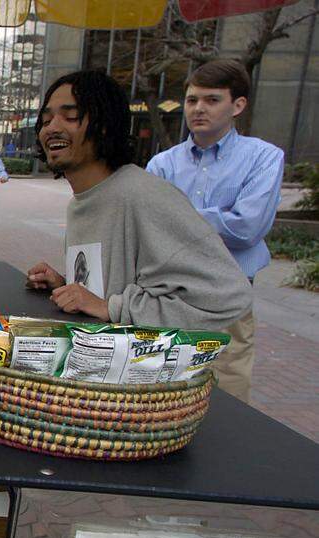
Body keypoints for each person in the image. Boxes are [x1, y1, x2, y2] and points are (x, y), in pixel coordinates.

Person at [25, 70, 252, 399]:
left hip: (168, 399)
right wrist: (67, 286)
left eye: (70, 115)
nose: (52, 127)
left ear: (104, 124)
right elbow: (112, 292)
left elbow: (229, 297)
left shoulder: (143, 195)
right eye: (45, 119)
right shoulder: (84, 200)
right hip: (115, 393)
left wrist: (114, 308)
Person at [145, 59, 282, 402]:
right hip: (172, 293)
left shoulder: (263, 158)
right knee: (165, 390)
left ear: (238, 105)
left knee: (230, 392)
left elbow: (246, 228)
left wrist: (178, 216)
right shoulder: (163, 163)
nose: (198, 109)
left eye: (211, 99)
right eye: (192, 100)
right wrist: (216, 217)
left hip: (230, 293)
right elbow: (149, 228)